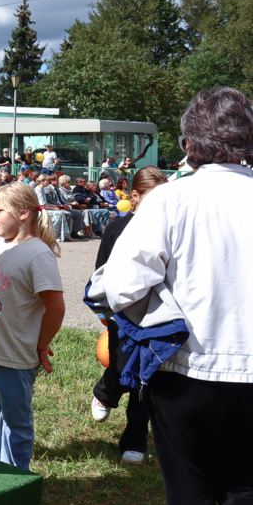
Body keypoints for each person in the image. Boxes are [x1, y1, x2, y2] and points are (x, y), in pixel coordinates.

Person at [101, 87, 253, 505]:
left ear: (190, 144)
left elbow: (120, 286)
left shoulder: (170, 200)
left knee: (189, 499)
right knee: (248, 497)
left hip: (187, 371)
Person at [0, 182, 65, 470]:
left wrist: (40, 344)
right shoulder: (0, 246)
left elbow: (56, 307)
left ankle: (14, 479)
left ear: (24, 213)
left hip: (13, 358)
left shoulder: (38, 254)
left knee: (15, 423)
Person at [89, 166, 168, 465]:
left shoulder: (168, 228)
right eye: (153, 197)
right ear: (134, 196)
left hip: (156, 316)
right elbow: (101, 271)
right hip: (122, 315)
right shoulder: (117, 228)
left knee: (145, 378)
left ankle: (134, 440)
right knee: (123, 366)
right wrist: (104, 313)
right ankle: (105, 391)